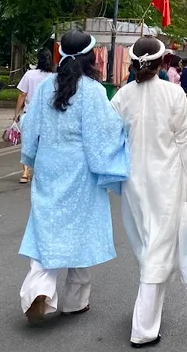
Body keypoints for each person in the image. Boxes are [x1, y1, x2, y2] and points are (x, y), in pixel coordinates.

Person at [19, 30, 129, 324]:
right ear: (91, 56)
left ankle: (39, 287)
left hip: (49, 166)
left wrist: (29, 158)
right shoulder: (92, 90)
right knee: (82, 231)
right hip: (80, 170)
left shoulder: (45, 87)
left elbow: (30, 127)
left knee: (46, 226)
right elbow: (105, 132)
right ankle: (75, 301)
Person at [111, 36, 187, 347]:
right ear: (164, 62)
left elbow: (109, 136)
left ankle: (148, 313)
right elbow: (184, 142)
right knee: (159, 247)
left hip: (134, 182)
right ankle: (143, 327)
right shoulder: (174, 94)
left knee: (146, 244)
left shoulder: (123, 96)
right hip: (167, 180)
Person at [14, 49, 55, 184]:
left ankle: (25, 172)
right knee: (44, 145)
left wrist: (16, 114)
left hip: (29, 113)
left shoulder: (29, 74)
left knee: (27, 143)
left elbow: (22, 95)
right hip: (48, 116)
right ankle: (42, 172)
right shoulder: (54, 77)